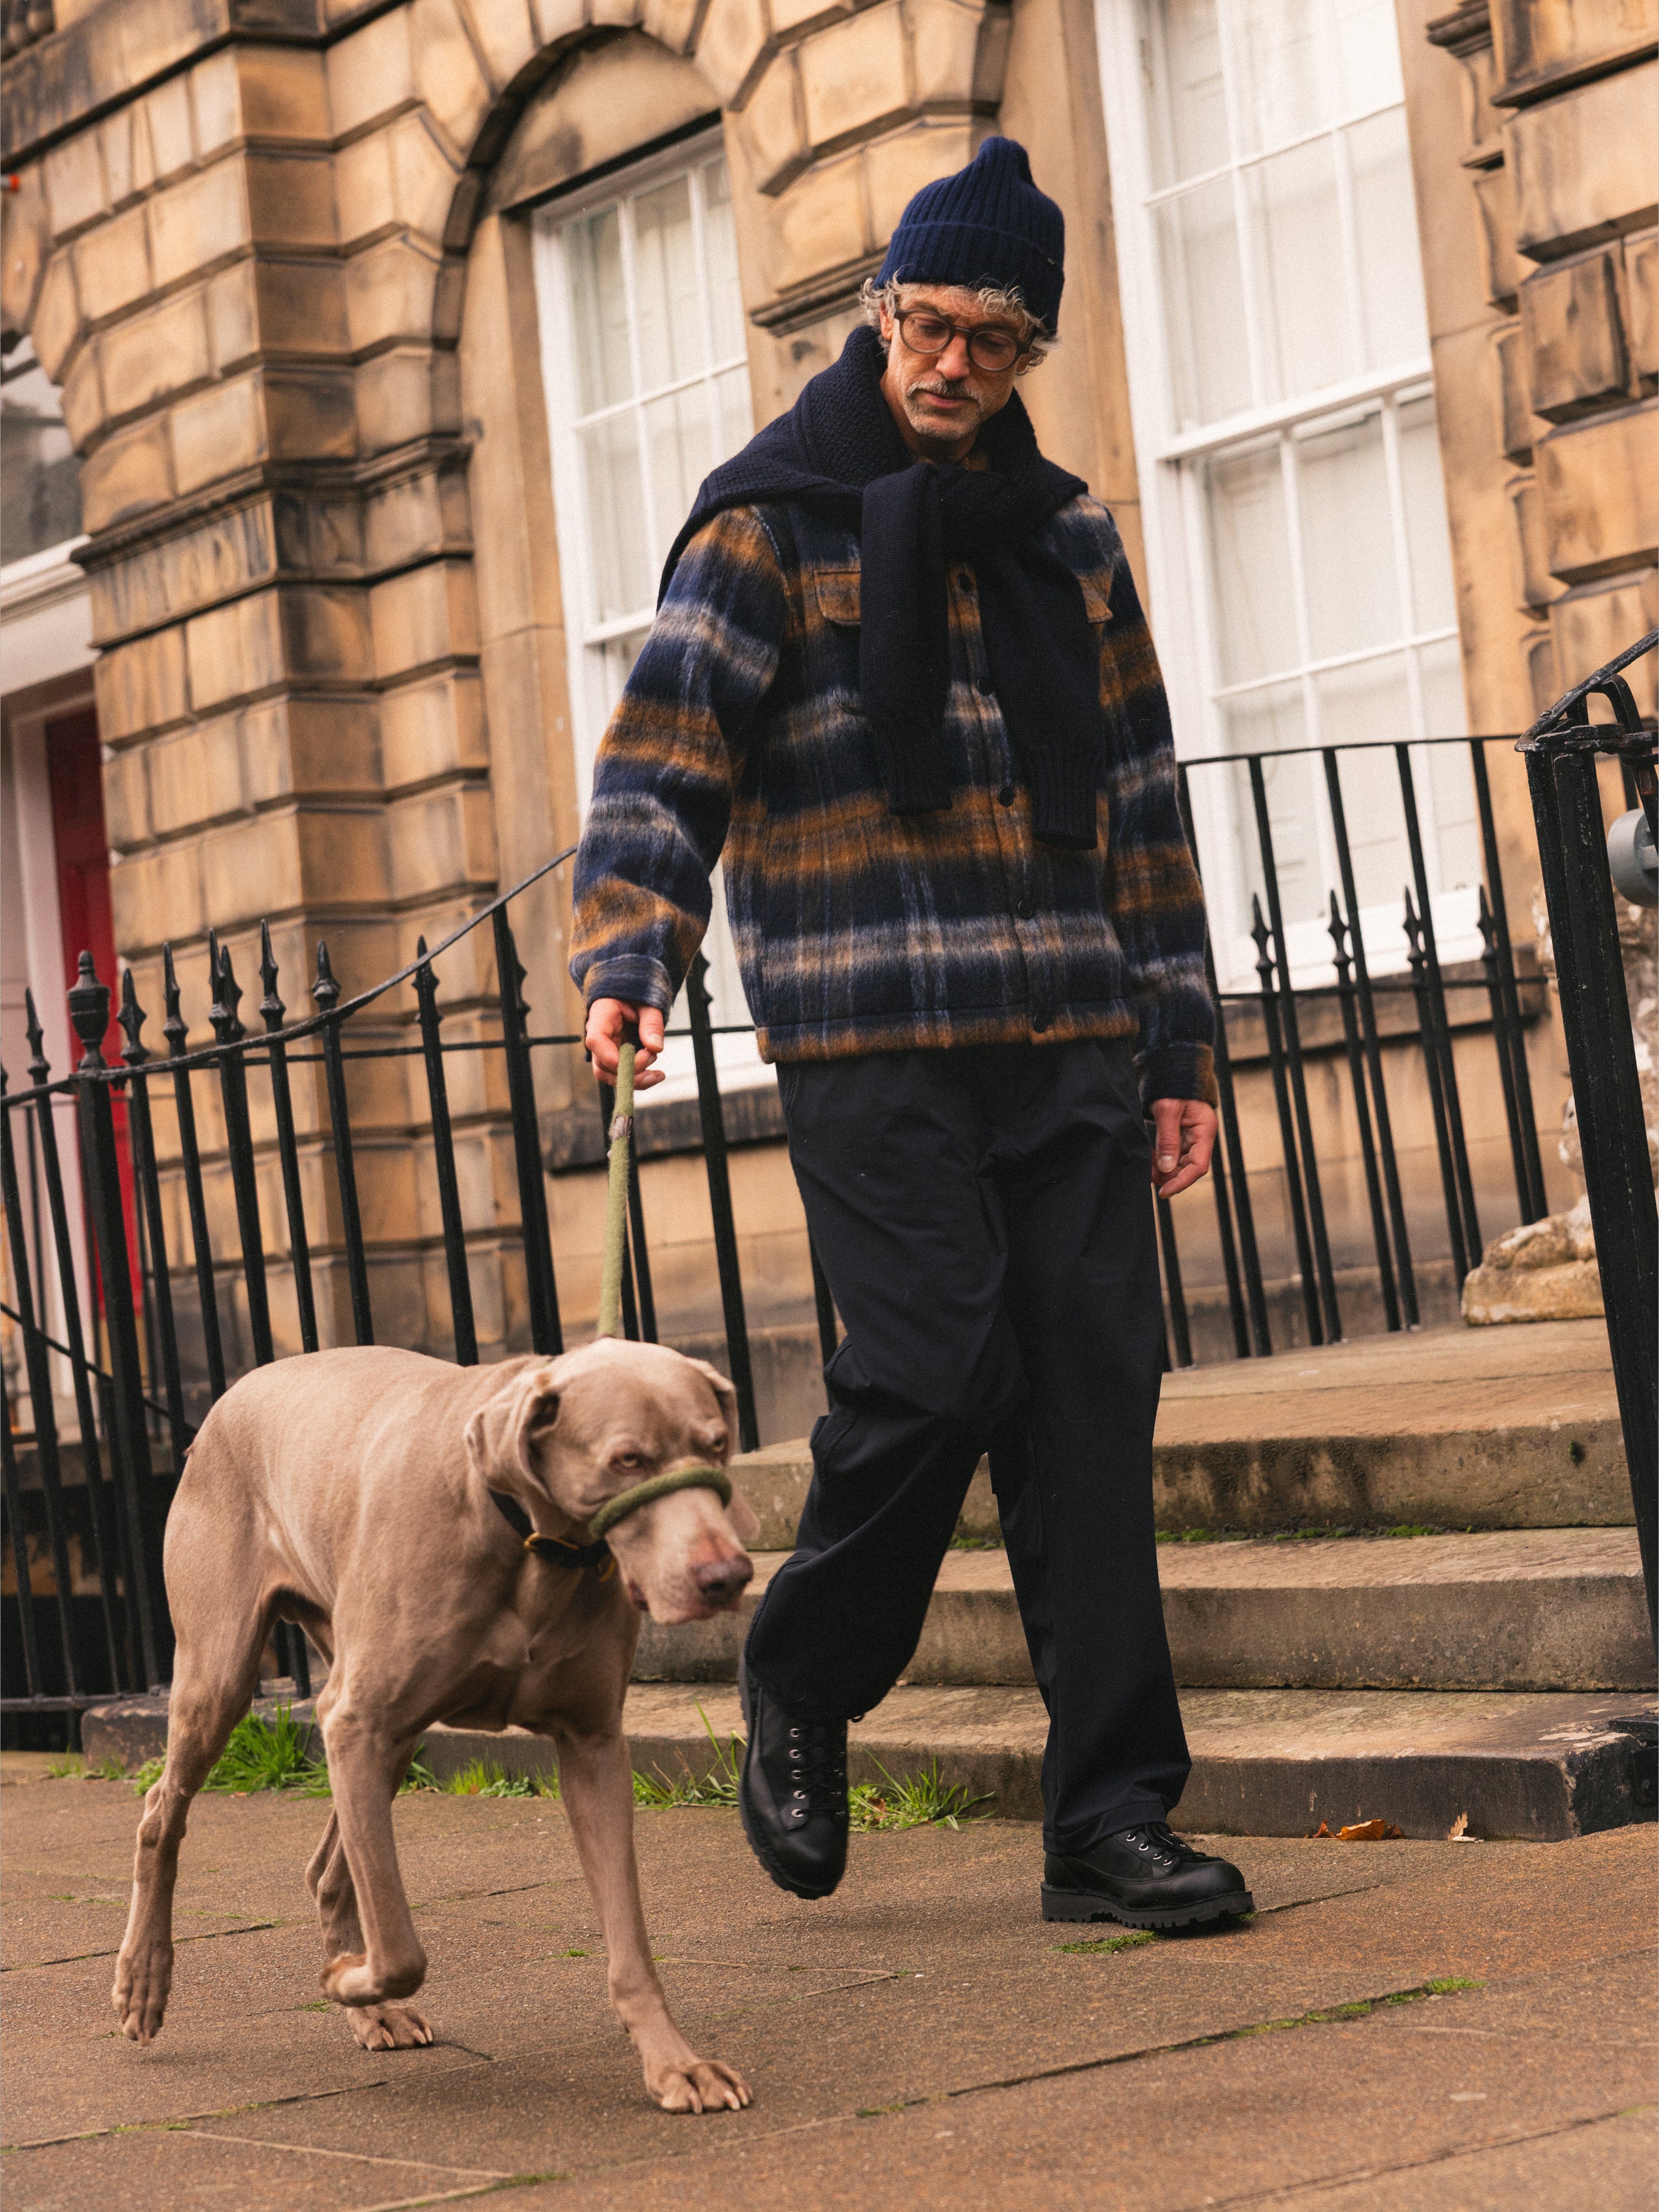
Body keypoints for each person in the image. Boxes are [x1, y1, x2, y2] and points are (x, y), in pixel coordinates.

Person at [569, 137, 1252, 1931]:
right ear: (879, 314)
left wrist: (1177, 1047)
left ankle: (1108, 1821)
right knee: (937, 1373)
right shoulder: (765, 519)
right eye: (926, 323)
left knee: (1090, 1417)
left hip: (1067, 1033)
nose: (951, 362)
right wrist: (628, 951)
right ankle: (799, 1668)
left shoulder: (1070, 536)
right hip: (870, 1036)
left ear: (1027, 350)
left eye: (993, 337)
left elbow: (1140, 800)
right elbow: (663, 762)